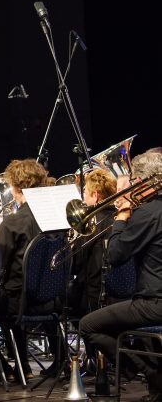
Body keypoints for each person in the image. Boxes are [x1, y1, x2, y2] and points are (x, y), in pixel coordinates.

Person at [80, 152, 162, 402]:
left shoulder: (147, 214)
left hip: (154, 303)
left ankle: (151, 374)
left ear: (142, 183)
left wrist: (122, 217)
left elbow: (114, 255)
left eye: (135, 181)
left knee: (87, 325)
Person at [0, 159, 49, 384]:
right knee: (6, 294)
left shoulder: (13, 222)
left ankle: (2, 365)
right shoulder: (52, 217)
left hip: (21, 301)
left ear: (16, 188)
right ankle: (22, 364)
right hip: (50, 298)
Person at [68, 169, 117, 316]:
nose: (83, 198)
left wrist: (70, 244)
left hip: (92, 298)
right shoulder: (120, 216)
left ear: (95, 196)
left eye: (85, 192)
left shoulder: (90, 222)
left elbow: (74, 266)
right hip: (117, 295)